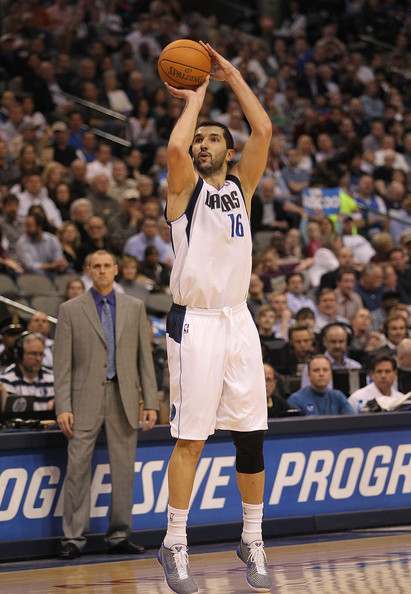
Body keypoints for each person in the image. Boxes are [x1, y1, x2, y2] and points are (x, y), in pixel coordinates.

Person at [157, 42, 272, 594]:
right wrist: (195, 101)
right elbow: (176, 148)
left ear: (228, 151)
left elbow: (265, 130)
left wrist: (230, 75)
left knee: (251, 438)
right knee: (193, 441)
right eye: (200, 139)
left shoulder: (243, 189)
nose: (201, 144)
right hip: (195, 324)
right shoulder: (183, 192)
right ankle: (175, 544)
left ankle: (252, 536)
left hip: (239, 321)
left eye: (212, 139)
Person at [54, 249, 158, 560]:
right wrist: (63, 406)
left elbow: (145, 359)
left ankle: (119, 535)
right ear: (88, 270)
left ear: (115, 270)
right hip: (83, 398)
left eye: (106, 266)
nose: (101, 271)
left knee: (124, 469)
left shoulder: (135, 307)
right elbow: (62, 364)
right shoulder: (70, 309)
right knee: (77, 469)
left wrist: (150, 401)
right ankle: (73, 538)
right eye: (95, 266)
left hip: (124, 396)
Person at [0, 331, 54, 411]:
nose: (38, 359)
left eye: (41, 354)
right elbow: (11, 415)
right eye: (33, 354)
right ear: (20, 354)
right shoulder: (6, 379)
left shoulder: (51, 379)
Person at [288, 354, 355, 415]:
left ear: (331, 375)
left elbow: (353, 421)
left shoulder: (338, 397)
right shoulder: (296, 400)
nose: (321, 374)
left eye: (325, 370)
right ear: (309, 375)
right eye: (316, 370)